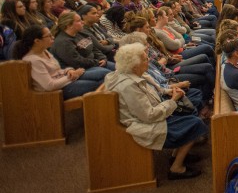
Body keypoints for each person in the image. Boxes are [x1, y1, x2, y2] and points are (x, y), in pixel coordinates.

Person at [105, 43, 208, 180]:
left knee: (188, 112)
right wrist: (172, 101)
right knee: (195, 123)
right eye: (145, 59)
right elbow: (149, 115)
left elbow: (155, 90)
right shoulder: (128, 86)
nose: (148, 60)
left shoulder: (134, 74)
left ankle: (176, 155)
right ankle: (176, 168)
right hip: (144, 125)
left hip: (154, 114)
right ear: (135, 65)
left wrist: (170, 92)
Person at [13, 25, 105, 100]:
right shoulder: (32, 60)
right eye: (48, 36)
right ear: (37, 41)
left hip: (65, 79)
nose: (52, 37)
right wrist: (73, 76)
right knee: (102, 83)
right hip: (58, 90)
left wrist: (68, 71)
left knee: (105, 74)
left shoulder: (44, 51)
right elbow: (49, 85)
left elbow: (56, 71)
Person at [50, 12, 115, 71]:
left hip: (94, 63)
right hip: (79, 70)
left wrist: (102, 58)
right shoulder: (63, 42)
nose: (83, 22)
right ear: (69, 25)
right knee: (107, 73)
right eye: (79, 21)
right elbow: (77, 61)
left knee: (118, 68)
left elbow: (94, 48)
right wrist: (97, 62)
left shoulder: (81, 33)